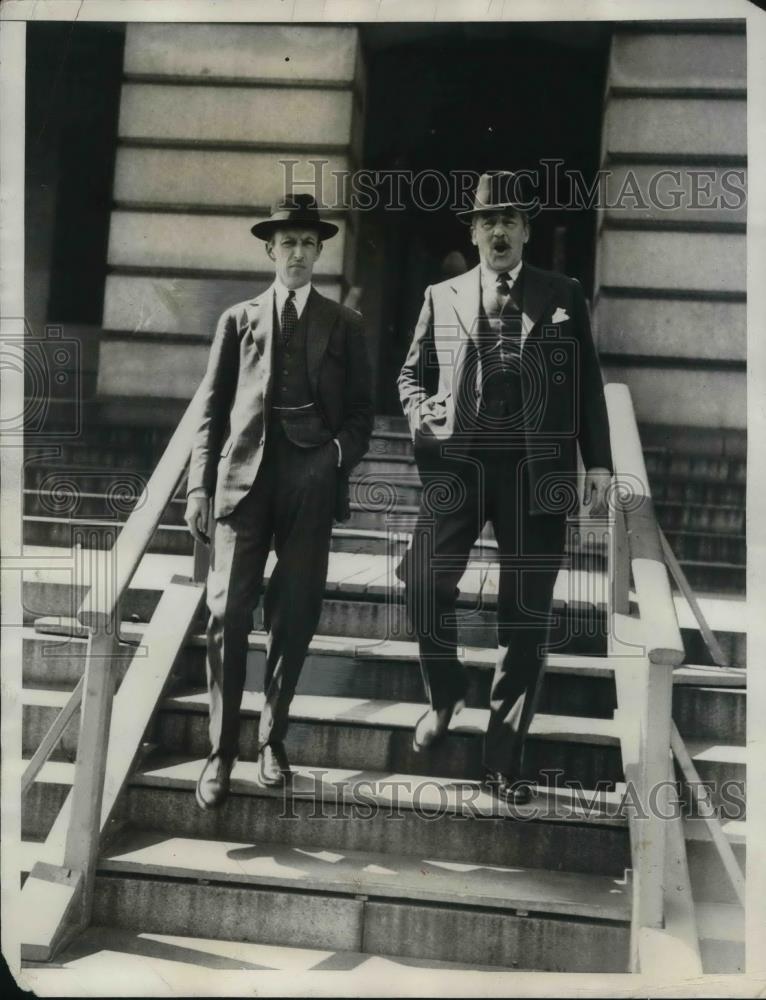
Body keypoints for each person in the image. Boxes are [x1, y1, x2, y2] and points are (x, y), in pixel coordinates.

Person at [397, 171, 612, 804]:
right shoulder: (443, 295)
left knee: (526, 615)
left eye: (510, 220)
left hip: (536, 473)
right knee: (422, 581)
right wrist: (418, 410)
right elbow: (412, 375)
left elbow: (589, 389)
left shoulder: (564, 293)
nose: (498, 230)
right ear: (473, 229)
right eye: (487, 220)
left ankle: (502, 760)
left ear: (526, 230)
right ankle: (444, 694)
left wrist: (597, 464)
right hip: (460, 468)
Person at [185, 193, 373, 809]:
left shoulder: (344, 325)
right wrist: (198, 486)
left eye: (308, 243)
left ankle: (273, 737)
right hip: (243, 482)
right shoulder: (238, 320)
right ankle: (219, 752)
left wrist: (332, 460)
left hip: (309, 482)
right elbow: (211, 410)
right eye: (287, 242)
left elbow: (363, 413)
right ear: (271, 249)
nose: (297, 252)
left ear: (320, 252)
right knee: (227, 612)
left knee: (294, 610)